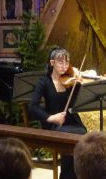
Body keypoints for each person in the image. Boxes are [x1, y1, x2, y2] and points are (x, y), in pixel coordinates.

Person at [29, 47, 87, 179]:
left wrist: (78, 86)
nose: (64, 66)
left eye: (67, 62)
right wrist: (50, 117)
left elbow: (75, 103)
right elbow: (32, 107)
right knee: (72, 141)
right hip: (55, 124)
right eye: (61, 62)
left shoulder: (70, 80)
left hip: (72, 121)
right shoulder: (44, 82)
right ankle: (67, 176)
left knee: (84, 136)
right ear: (52, 63)